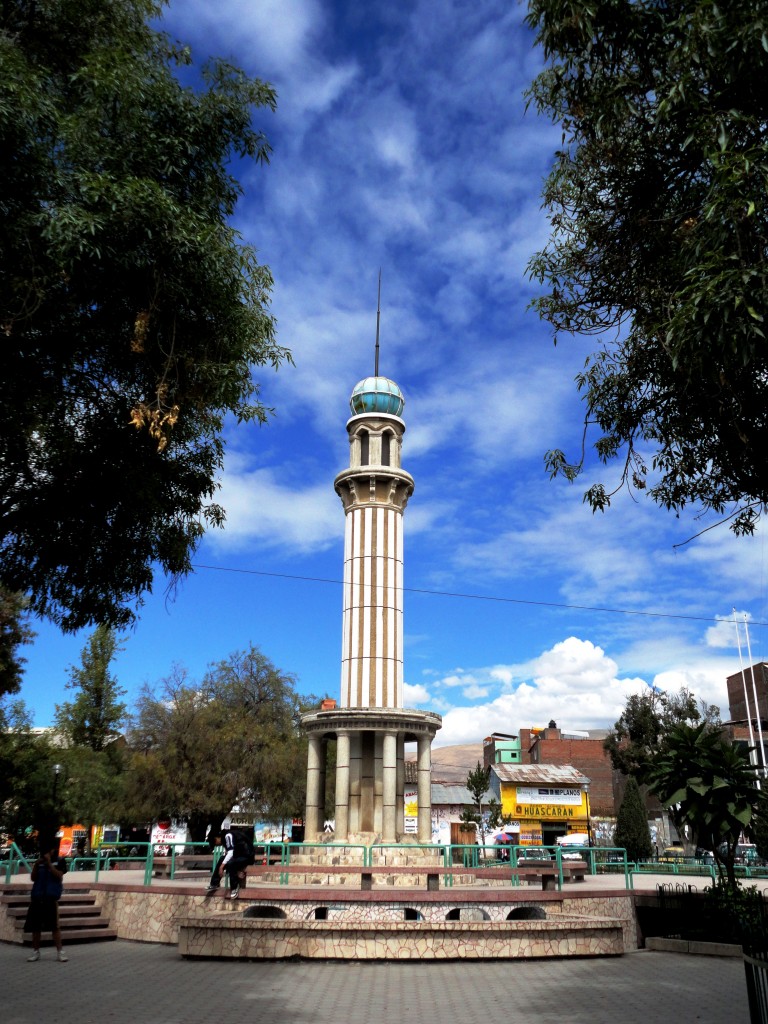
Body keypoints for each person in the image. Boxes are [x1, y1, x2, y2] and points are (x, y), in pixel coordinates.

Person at [24, 840, 68, 962]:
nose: (48, 853)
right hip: (38, 897)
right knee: (36, 927)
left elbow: (59, 875)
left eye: (50, 850)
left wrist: (49, 864)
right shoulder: (40, 862)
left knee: (55, 927)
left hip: (51, 898)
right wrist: (37, 865)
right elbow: (33, 878)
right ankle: (36, 951)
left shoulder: (59, 861)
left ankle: (60, 952)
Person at [204, 821, 249, 900]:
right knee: (223, 859)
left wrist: (221, 867)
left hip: (245, 856)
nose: (217, 845)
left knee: (231, 863)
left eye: (215, 843)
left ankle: (234, 888)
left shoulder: (228, 836)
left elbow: (231, 852)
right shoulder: (226, 838)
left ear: (216, 838)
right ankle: (215, 883)